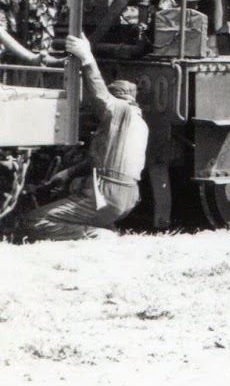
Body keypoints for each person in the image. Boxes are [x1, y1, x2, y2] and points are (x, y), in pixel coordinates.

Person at [17, 35, 148, 241]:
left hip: (106, 193)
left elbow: (100, 94)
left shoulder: (120, 111)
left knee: (34, 220)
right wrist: (67, 173)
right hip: (127, 196)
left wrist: (87, 58)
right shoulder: (139, 123)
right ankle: (104, 229)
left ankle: (97, 235)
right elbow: (103, 160)